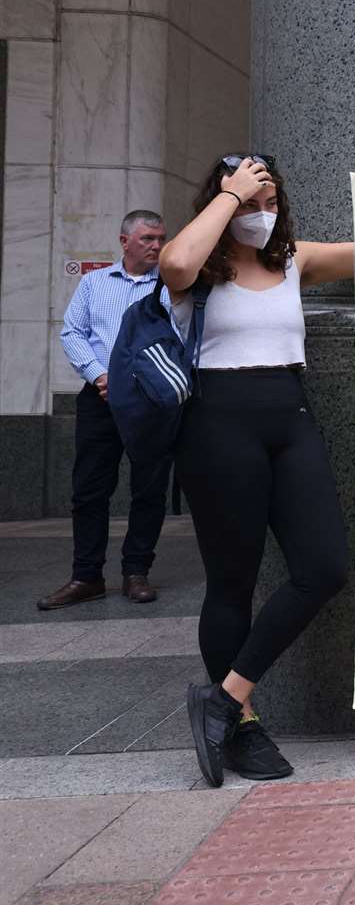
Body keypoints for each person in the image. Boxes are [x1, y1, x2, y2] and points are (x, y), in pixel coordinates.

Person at [161, 153, 355, 786]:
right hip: (217, 421)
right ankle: (246, 727)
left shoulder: (293, 261)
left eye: (270, 201)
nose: (263, 214)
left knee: (324, 567)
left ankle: (223, 699)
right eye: (251, 202)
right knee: (232, 580)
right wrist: (231, 195)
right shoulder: (199, 264)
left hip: (291, 415)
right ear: (223, 199)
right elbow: (173, 264)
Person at [41, 212, 172, 610]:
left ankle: (136, 573)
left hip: (149, 403)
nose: (156, 245)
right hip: (99, 400)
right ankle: (86, 576)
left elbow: (179, 337)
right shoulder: (94, 283)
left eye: (161, 239)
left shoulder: (170, 287)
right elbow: (73, 332)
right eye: (148, 238)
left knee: (149, 490)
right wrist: (100, 376)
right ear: (124, 241)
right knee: (89, 491)